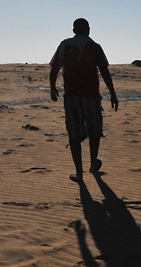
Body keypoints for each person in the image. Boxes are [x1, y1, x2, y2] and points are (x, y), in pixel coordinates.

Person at [50, 18, 119, 182]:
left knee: (73, 133)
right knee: (94, 131)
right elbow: (104, 71)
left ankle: (79, 173)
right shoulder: (95, 47)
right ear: (88, 29)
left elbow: (54, 69)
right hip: (91, 96)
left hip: (71, 96)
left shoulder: (65, 45)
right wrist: (113, 93)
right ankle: (93, 164)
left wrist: (53, 88)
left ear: (74, 30)